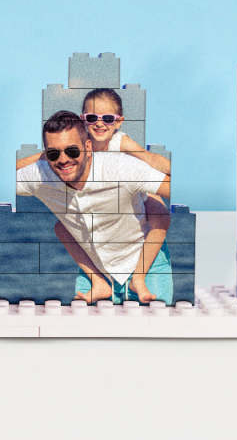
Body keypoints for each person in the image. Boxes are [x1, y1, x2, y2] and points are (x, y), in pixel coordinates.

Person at [16, 110, 173, 304]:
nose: (63, 160)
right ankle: (100, 283)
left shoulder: (121, 168)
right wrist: (39, 157)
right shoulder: (40, 175)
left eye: (72, 151)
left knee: (155, 322)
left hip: (145, 262)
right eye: (54, 153)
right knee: (61, 227)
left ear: (88, 147)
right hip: (96, 270)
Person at [17, 88, 171, 175]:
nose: (99, 124)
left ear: (118, 122)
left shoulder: (119, 142)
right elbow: (39, 157)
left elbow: (150, 158)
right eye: (92, 117)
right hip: (95, 196)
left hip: (126, 193)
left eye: (108, 119)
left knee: (155, 206)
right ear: (83, 119)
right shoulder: (77, 144)